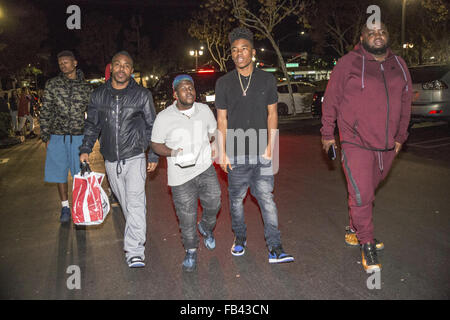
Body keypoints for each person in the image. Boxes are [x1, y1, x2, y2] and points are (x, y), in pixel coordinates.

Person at [321, 22, 412, 273]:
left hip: (387, 144)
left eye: (382, 31)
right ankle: (367, 242)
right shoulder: (348, 63)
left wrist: (400, 137)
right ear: (362, 37)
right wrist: (328, 134)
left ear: (388, 35)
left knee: (367, 190)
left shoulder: (400, 65)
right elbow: (331, 99)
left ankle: (354, 228)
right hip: (354, 140)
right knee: (361, 194)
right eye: (371, 33)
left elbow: (406, 102)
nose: (378, 36)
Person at [215, 27, 294, 264]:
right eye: (235, 50)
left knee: (266, 199)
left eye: (244, 49)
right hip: (236, 152)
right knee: (236, 202)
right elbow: (222, 119)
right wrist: (222, 151)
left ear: (252, 52)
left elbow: (272, 114)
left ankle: (275, 247)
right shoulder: (224, 83)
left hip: (262, 151)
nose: (240, 53)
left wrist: (271, 146)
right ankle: (240, 239)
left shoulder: (267, 79)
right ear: (232, 54)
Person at [79, 51, 159, 268]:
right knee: (126, 204)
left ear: (131, 70)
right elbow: (92, 125)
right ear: (111, 67)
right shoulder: (98, 95)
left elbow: (153, 126)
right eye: (118, 64)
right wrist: (86, 148)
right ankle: (136, 235)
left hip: (134, 157)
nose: (122, 69)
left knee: (135, 203)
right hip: (111, 160)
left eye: (127, 65)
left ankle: (134, 250)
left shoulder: (142, 95)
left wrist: (153, 153)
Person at [151, 74, 221, 272]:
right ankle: (191, 250)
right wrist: (172, 152)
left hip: (205, 168)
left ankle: (206, 227)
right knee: (186, 217)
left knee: (215, 202)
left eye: (191, 88)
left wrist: (215, 144)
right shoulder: (164, 117)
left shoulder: (205, 110)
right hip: (180, 177)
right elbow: (155, 144)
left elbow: (213, 132)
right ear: (175, 94)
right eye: (184, 88)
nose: (189, 91)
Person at [39, 50, 93, 222]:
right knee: (59, 173)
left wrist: (90, 138)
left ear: (75, 63)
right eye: (60, 62)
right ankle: (65, 208)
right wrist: (45, 136)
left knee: (80, 174)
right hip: (57, 136)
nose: (63, 65)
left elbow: (92, 115)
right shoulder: (52, 85)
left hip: (78, 136)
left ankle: (80, 207)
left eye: (66, 62)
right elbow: (45, 110)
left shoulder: (85, 88)